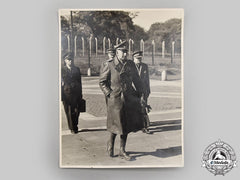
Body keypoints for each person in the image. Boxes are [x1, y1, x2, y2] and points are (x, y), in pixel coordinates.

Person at [99, 41, 145, 161]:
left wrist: (141, 94)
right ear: (117, 52)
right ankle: (110, 144)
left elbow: (137, 81)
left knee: (125, 125)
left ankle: (122, 150)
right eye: (122, 52)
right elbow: (102, 82)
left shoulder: (130, 64)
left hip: (128, 99)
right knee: (115, 124)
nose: (125, 54)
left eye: (126, 52)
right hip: (115, 99)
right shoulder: (109, 64)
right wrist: (109, 93)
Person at [61, 52, 83, 134]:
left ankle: (75, 124)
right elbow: (60, 83)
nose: (70, 61)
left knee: (77, 111)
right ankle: (72, 128)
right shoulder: (61, 70)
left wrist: (81, 93)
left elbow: (80, 82)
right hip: (67, 94)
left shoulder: (76, 69)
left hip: (76, 93)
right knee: (69, 111)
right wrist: (61, 96)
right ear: (65, 60)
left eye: (71, 59)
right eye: (68, 60)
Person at [132, 51, 151, 134]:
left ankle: (145, 126)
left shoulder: (144, 66)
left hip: (143, 91)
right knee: (133, 109)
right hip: (133, 91)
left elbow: (147, 80)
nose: (139, 60)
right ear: (133, 58)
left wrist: (148, 90)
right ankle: (135, 125)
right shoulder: (130, 66)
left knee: (143, 108)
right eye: (137, 58)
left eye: (140, 58)